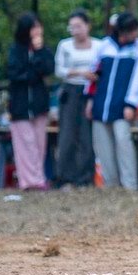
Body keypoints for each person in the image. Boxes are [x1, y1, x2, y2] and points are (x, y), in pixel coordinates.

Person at [88, 13, 138, 190]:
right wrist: (90, 100)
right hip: (101, 104)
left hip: (122, 106)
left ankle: (130, 184)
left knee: (124, 142)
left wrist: (132, 103)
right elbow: (94, 75)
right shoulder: (104, 46)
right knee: (103, 146)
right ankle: (110, 184)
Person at [53, 11, 100, 186]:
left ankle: (85, 177)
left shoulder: (98, 45)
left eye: (79, 26)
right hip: (70, 91)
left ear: (88, 26)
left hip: (91, 92)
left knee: (86, 135)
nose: (75, 30)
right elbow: (60, 71)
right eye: (72, 27)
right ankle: (65, 176)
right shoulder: (65, 46)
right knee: (67, 134)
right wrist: (81, 73)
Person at [5, 14, 51, 190]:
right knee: (27, 144)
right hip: (20, 105)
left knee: (40, 144)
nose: (38, 31)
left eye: (39, 27)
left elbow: (47, 68)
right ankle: (31, 181)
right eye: (34, 27)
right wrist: (32, 73)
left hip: (39, 105)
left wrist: (39, 52)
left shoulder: (44, 50)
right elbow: (16, 73)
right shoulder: (16, 50)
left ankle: (37, 178)